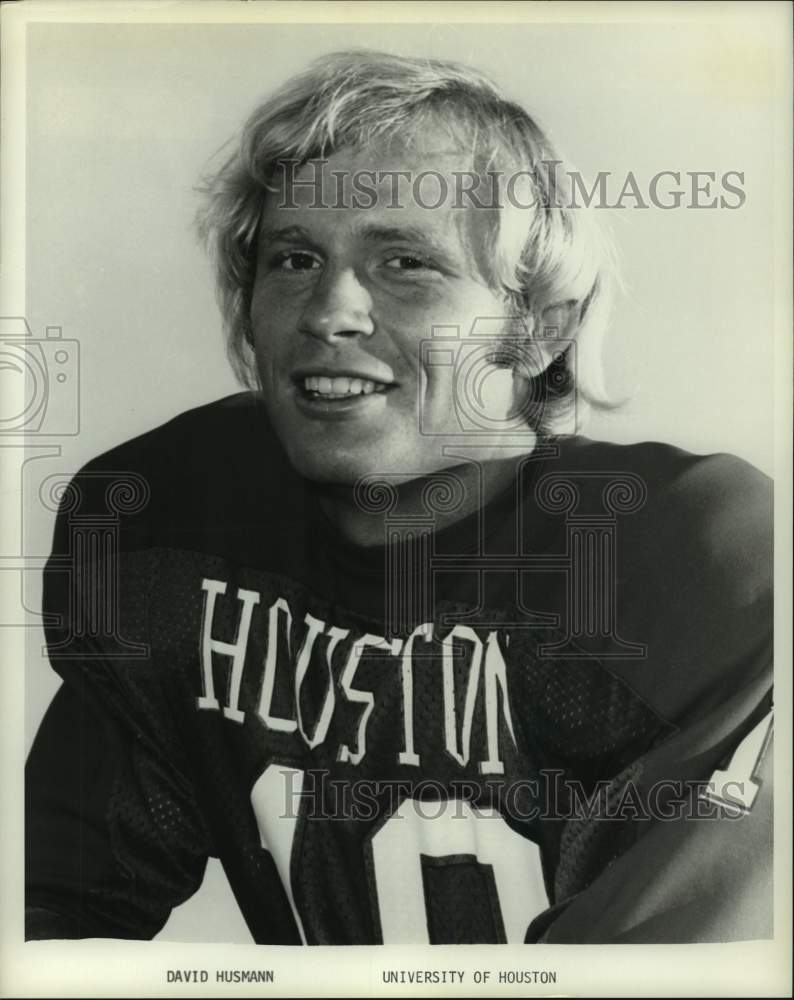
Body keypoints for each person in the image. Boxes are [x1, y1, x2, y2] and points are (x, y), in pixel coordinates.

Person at [25, 50, 773, 945]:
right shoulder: (171, 525)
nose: (330, 310)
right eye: (294, 257)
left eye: (405, 263)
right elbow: (51, 924)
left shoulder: (691, 554)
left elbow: (672, 971)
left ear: (538, 329)